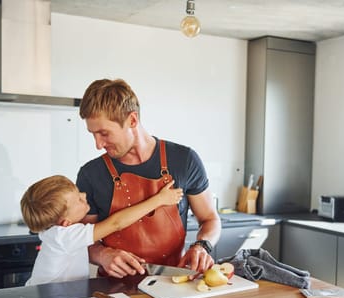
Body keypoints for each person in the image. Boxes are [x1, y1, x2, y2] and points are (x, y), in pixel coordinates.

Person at [76, 78, 221, 278]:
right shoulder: (91, 174)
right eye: (93, 134)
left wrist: (202, 245)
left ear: (132, 120)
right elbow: (79, 240)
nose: (98, 144)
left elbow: (210, 219)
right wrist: (102, 254)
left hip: (172, 280)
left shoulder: (184, 160)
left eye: (104, 134)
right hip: (112, 291)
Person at [20, 174, 183, 285]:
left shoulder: (55, 232)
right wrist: (159, 200)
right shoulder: (65, 235)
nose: (84, 195)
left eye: (79, 192)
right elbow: (116, 223)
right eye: (78, 199)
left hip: (57, 296)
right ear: (65, 222)